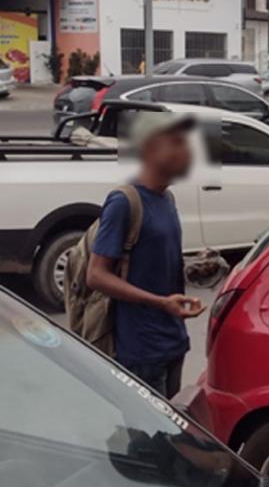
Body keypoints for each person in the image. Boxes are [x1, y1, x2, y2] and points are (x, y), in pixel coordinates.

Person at [86, 111, 205, 398]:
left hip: (173, 342)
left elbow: (154, 265)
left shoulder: (167, 199)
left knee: (170, 434)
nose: (187, 152)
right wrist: (161, 303)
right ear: (151, 149)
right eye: (177, 143)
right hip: (141, 353)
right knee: (147, 440)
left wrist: (196, 267)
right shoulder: (124, 202)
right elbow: (96, 275)